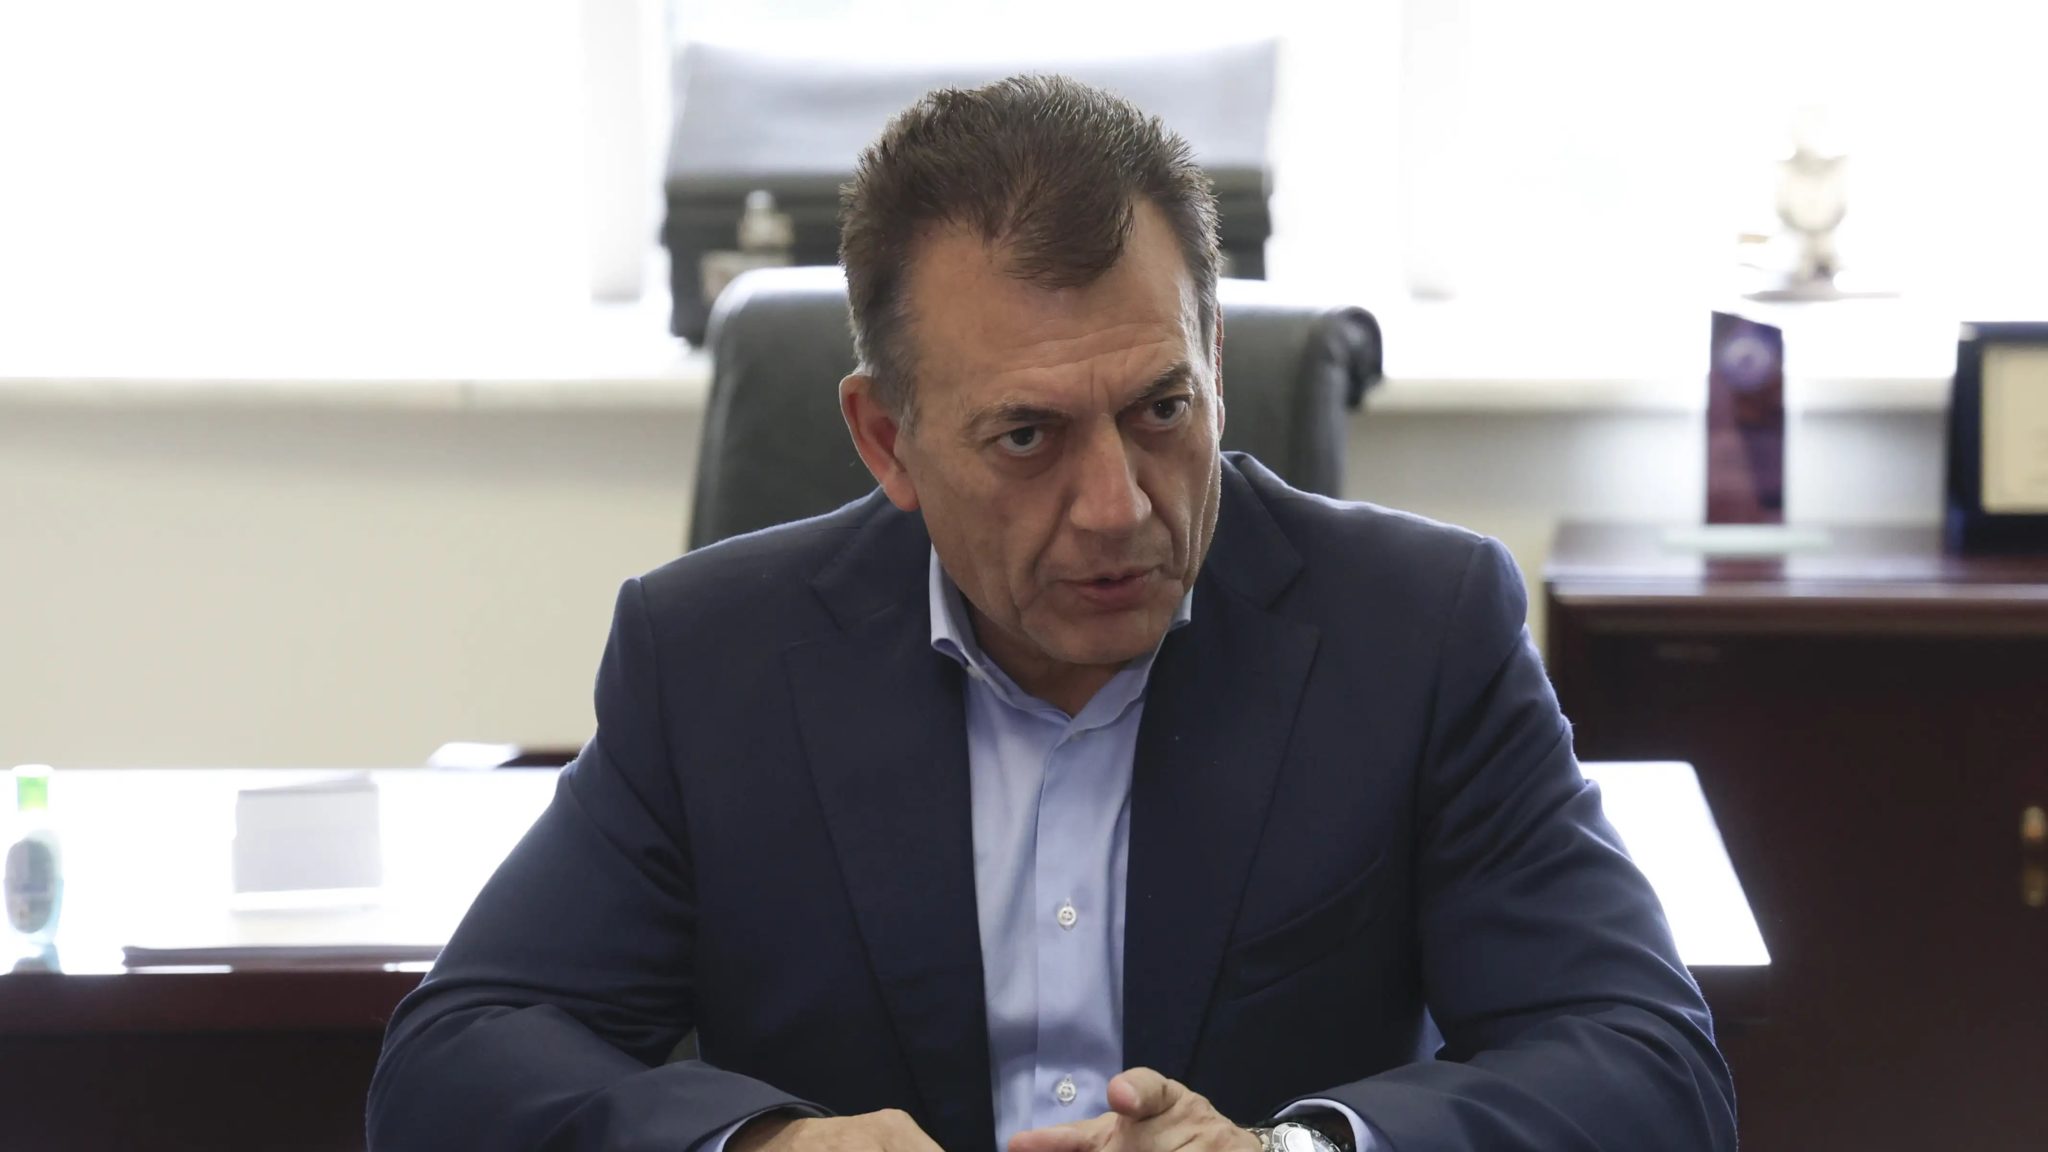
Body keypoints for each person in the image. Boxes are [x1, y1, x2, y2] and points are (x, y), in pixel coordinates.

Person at [367, 75, 1736, 1152]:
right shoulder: (714, 661)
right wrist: (764, 1143)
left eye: (1161, 409)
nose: (1117, 506)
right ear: (887, 440)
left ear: (1215, 362)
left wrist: (1295, 1151)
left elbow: (1648, 1068)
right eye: (1027, 436)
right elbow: (455, 1062)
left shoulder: (1418, 632)